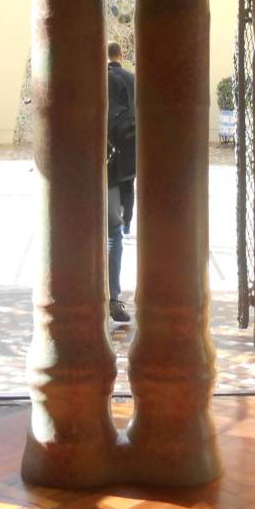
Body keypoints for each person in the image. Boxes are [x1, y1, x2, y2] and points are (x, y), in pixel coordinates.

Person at [106, 41, 136, 324]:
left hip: (82, 172)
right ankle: (113, 299)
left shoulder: (88, 81)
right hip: (116, 172)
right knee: (114, 232)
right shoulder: (130, 80)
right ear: (121, 55)